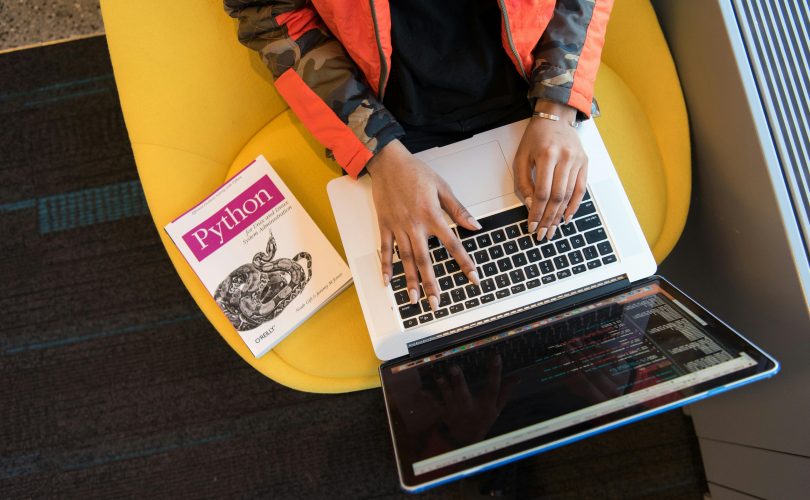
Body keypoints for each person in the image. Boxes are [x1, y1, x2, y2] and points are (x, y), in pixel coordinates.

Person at [224, 0, 612, 313]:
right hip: (386, 123)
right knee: (439, 331)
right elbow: (267, 13)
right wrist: (377, 150)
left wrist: (557, 104)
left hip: (535, 92)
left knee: (598, 303)